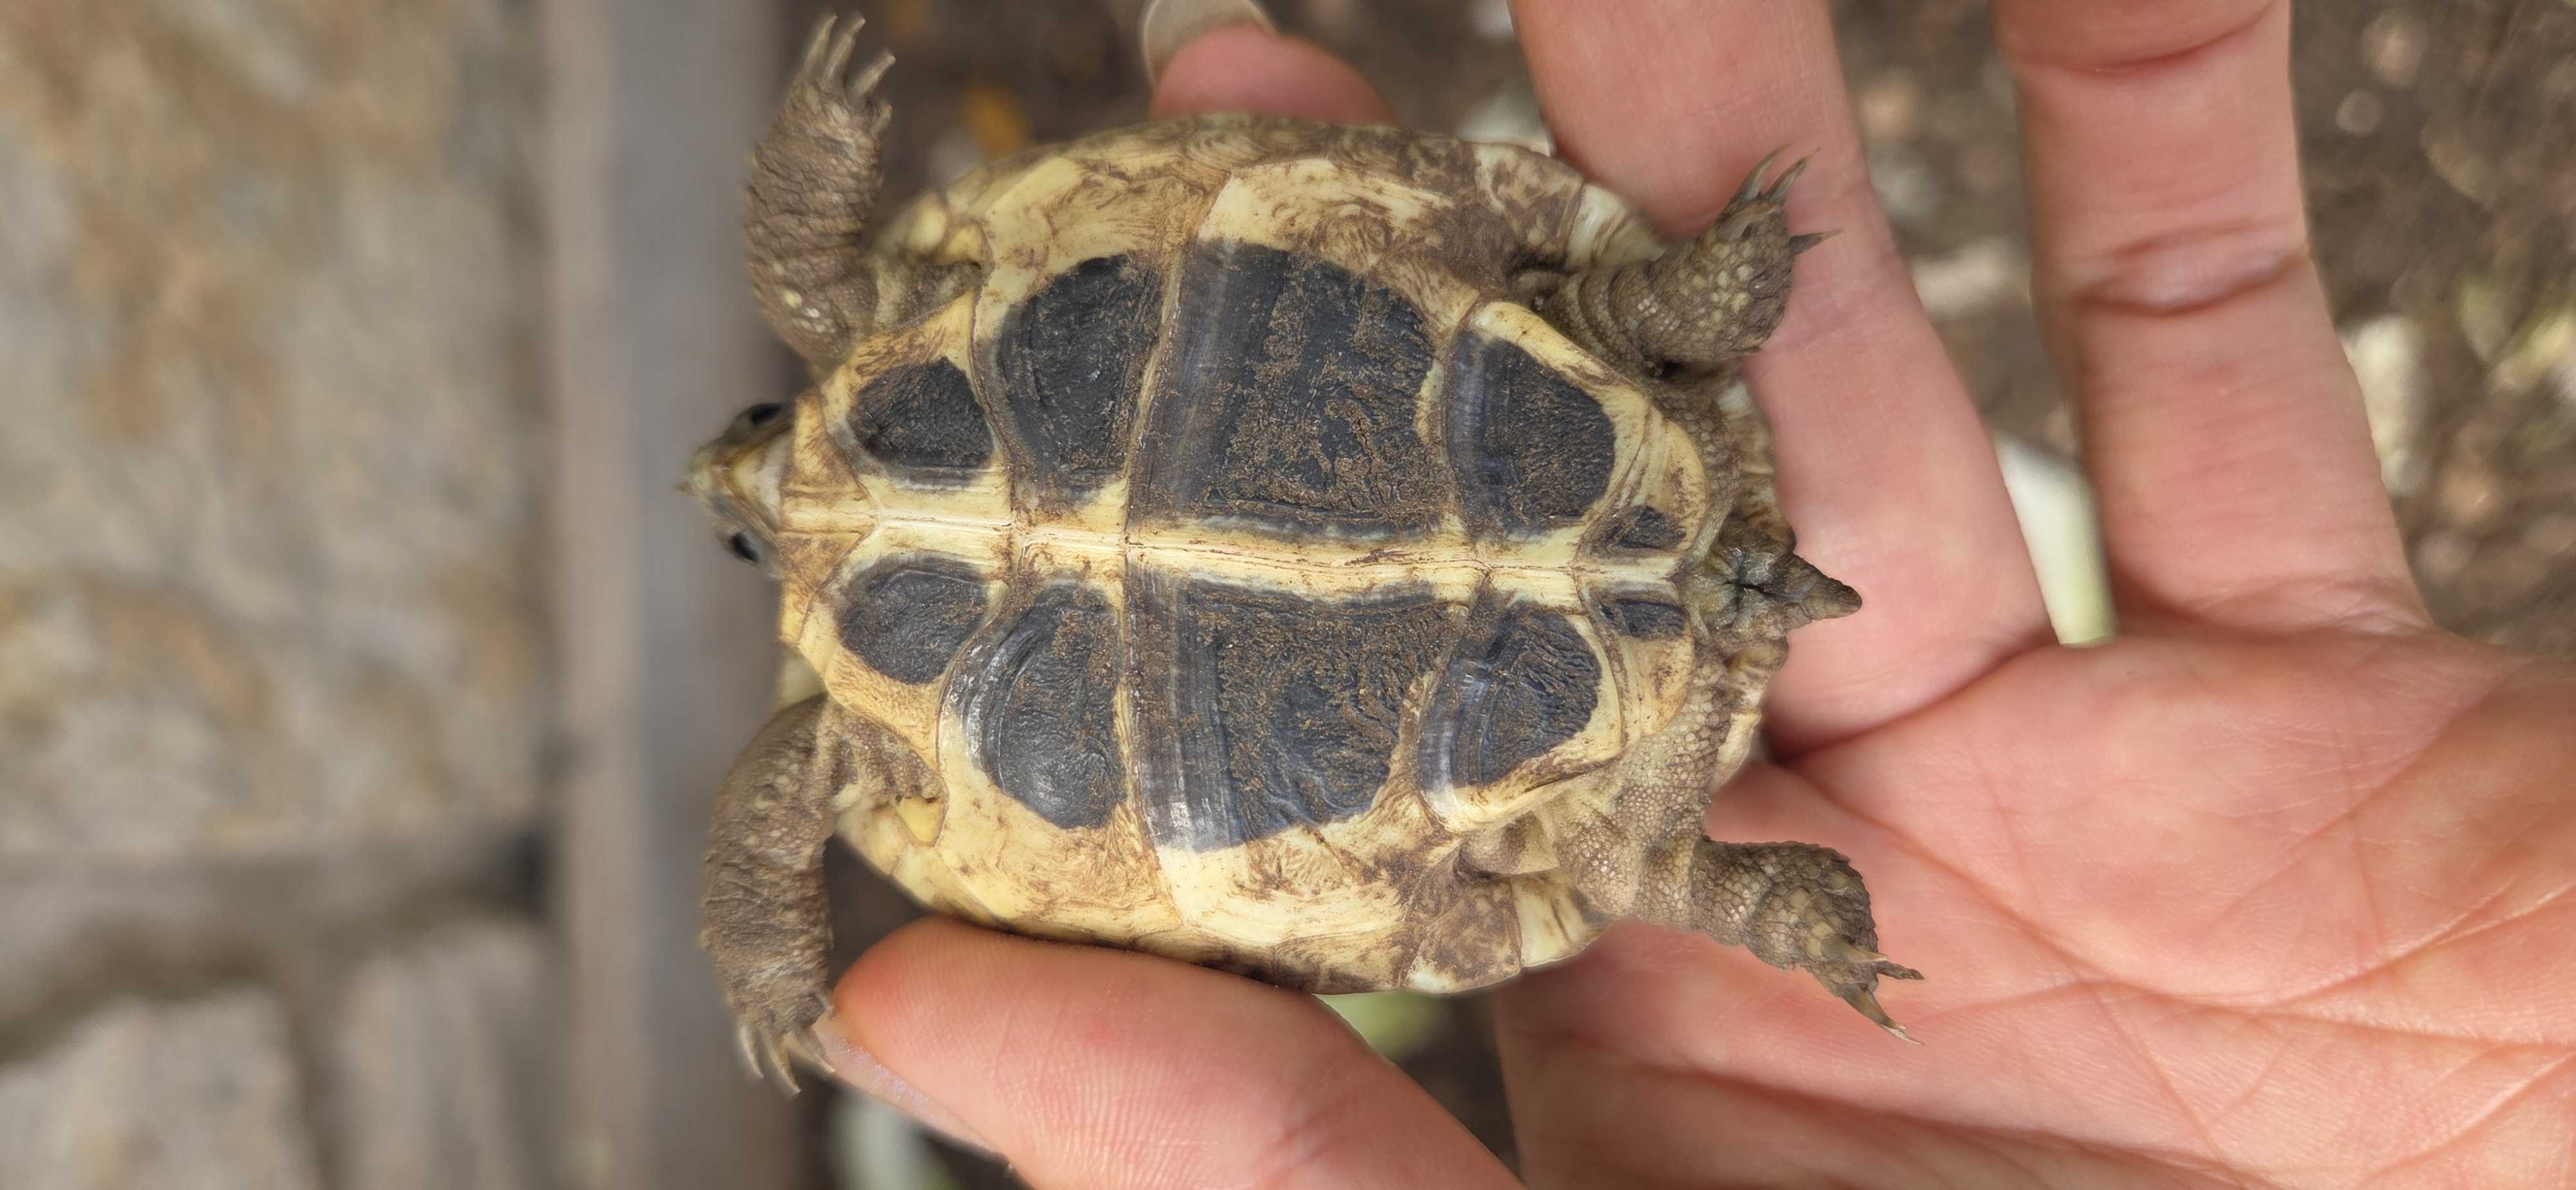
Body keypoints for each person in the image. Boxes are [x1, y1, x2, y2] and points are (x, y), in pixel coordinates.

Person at [804, 2, 2576, 1184]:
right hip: (1535, 418)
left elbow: (1664, 313)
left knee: (1660, 863)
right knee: (1661, 863)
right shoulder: (1617, 372)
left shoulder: (850, 690)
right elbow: (1658, 308)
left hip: (1516, 455)